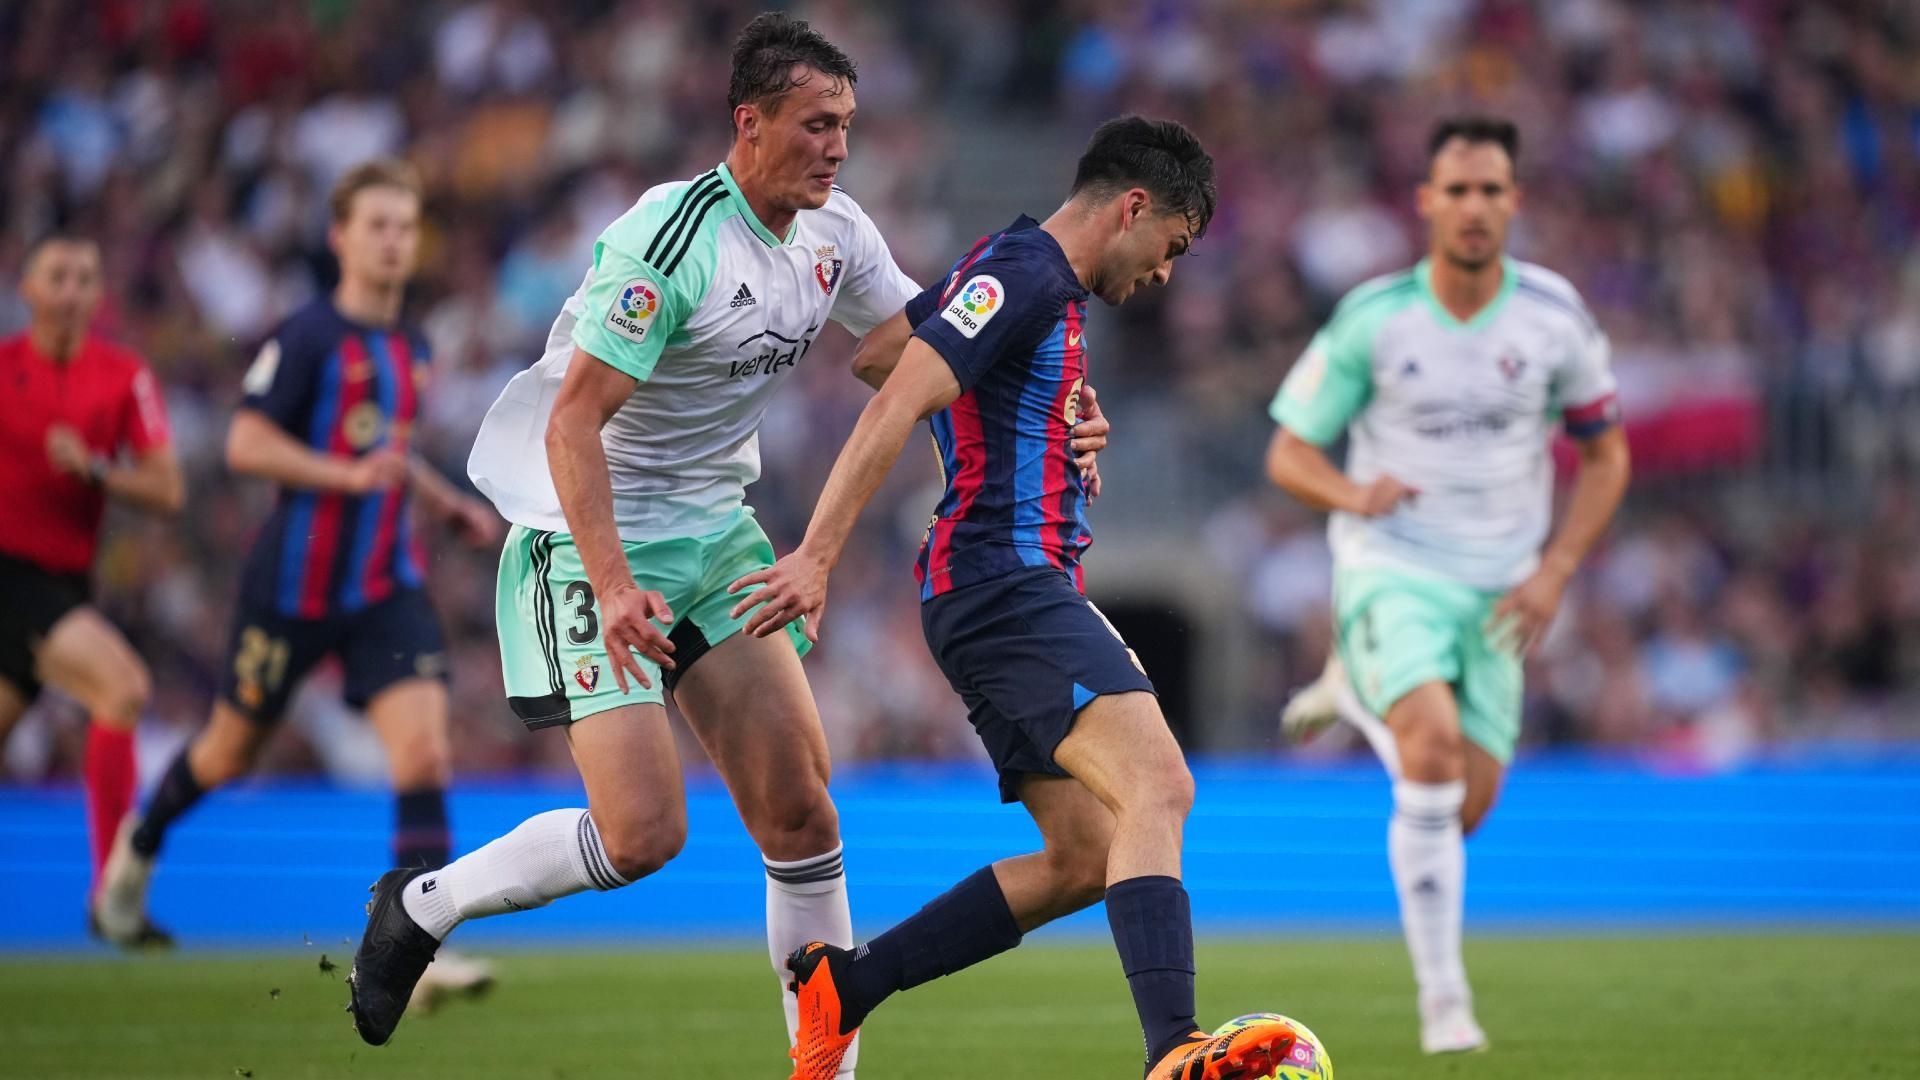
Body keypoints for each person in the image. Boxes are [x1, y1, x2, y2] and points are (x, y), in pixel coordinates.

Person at [344, 12, 1111, 1065]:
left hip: (715, 531)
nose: (837, 148)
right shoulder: (669, 240)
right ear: (749, 125)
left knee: (803, 814)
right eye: (815, 125)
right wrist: (612, 586)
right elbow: (574, 423)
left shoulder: (839, 234)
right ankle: (426, 904)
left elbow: (916, 356)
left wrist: (1050, 407)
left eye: (846, 124)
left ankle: (825, 1065)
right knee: (643, 835)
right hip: (584, 534)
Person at [735, 115, 1299, 1080]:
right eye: (1171, 246)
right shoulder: (1030, 273)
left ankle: (846, 984)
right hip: (1005, 582)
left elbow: (880, 354)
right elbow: (894, 396)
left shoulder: (1030, 286)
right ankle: (1175, 1054)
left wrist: (1043, 404)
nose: (1166, 274)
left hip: (995, 590)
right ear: (1132, 208)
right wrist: (818, 554)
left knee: (1084, 855)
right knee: (1161, 787)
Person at [95, 160, 502, 1010]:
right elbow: (245, 443)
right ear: (341, 237)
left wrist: (445, 501)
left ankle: (413, 948)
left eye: (405, 226)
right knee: (228, 751)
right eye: (378, 226)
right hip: (291, 591)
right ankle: (139, 842)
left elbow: (386, 449)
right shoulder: (309, 336)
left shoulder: (412, 345)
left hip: (386, 585)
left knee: (424, 751)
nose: (395, 241)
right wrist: (343, 478)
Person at [1268, 116, 1631, 1054]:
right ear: (1427, 202)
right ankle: (1446, 1010)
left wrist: (1556, 571)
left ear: (1514, 201)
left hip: (1506, 588)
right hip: (1393, 566)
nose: (1474, 207)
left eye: (1492, 190)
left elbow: (1607, 456)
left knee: (1463, 806)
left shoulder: (1554, 317)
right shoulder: (1376, 317)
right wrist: (1356, 492)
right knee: (1426, 750)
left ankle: (1354, 687)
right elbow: (1289, 452)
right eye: (1457, 190)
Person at [0, 234, 183, 944]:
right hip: (12, 575)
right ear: (29, 290)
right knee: (122, 688)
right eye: (58, 275)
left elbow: (168, 488)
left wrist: (99, 470)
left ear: (99, 293)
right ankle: (112, 894)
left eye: (85, 276)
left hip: (62, 582)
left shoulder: (123, 374)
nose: (72, 289)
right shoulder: (4, 369)